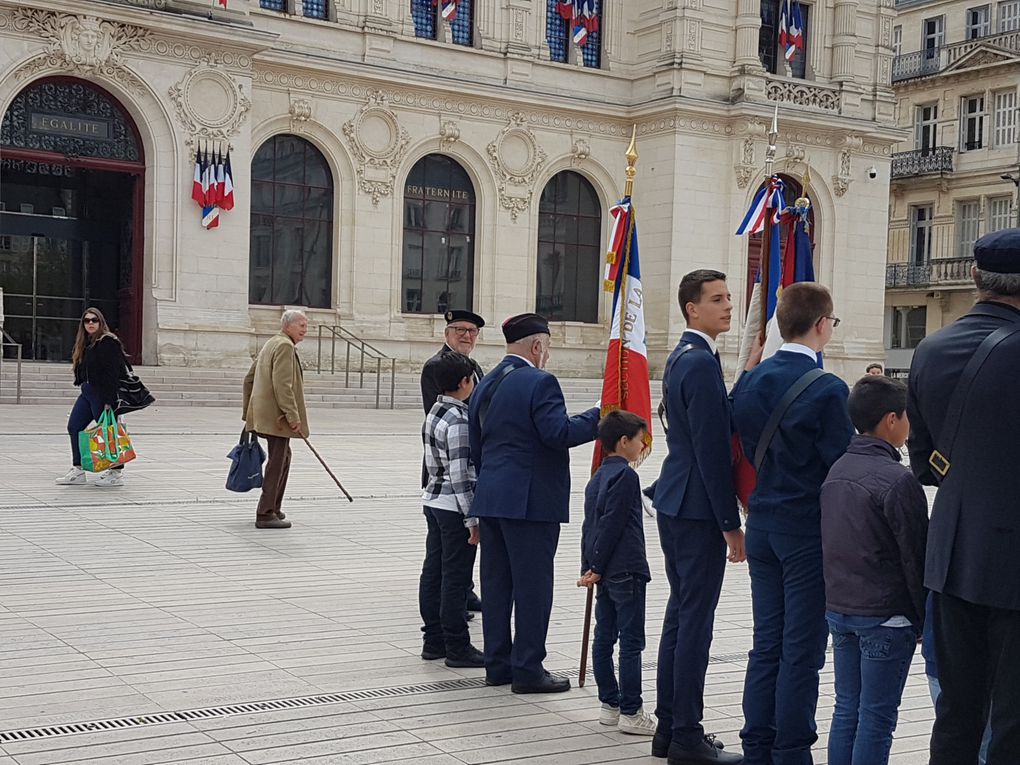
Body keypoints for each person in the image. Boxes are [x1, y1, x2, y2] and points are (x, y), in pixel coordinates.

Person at [906, 228, 1020, 764]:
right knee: (1013, 721)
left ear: (975, 278)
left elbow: (926, 461)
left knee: (956, 712)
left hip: (952, 556)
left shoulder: (931, 348)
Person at [731, 282, 854, 765]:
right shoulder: (827, 388)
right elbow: (841, 464)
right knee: (801, 650)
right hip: (806, 528)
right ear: (822, 324)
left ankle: (757, 744)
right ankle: (791, 750)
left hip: (761, 520)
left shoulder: (751, 380)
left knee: (767, 643)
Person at [468, 312, 599, 694]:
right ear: (538, 346)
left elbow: (477, 446)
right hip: (530, 502)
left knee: (496, 585)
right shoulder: (540, 381)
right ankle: (527, 670)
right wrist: (599, 413)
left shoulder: (486, 381)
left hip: (491, 498)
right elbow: (558, 433)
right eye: (549, 346)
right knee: (532, 588)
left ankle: (498, 664)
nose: (549, 354)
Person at [651, 270, 745, 765]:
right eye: (718, 299)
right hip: (696, 508)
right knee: (695, 624)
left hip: (677, 501)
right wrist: (731, 524)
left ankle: (670, 729)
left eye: (728, 297)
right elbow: (712, 451)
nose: (729, 306)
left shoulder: (685, 356)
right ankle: (687, 735)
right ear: (692, 308)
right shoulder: (702, 364)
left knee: (680, 618)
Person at [819, 375, 928, 765]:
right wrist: (922, 617)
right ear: (891, 421)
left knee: (846, 709)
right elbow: (915, 557)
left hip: (841, 609)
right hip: (885, 616)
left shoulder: (836, 471)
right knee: (877, 718)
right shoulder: (899, 481)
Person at [578, 410, 655, 736]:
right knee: (631, 642)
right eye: (639, 440)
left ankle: (609, 703)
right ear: (623, 442)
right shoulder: (626, 477)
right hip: (626, 568)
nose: (642, 446)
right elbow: (612, 524)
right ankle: (631, 709)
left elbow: (590, 527)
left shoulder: (597, 477)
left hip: (605, 570)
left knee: (604, 637)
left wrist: (591, 566)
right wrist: (596, 566)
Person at [418, 351, 484, 668]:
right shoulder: (459, 421)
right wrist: (472, 519)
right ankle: (457, 646)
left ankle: (433, 640)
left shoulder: (435, 411)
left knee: (434, 572)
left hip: (433, 499)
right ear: (464, 382)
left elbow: (434, 465)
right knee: (455, 577)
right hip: (453, 506)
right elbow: (460, 476)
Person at [421, 309, 486, 614]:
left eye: (472, 331)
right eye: (459, 329)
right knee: (448, 558)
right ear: (446, 333)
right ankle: (451, 614)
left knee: (448, 556)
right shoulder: (438, 366)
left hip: (449, 473)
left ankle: (461, 596)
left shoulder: (474, 367)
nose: (466, 335)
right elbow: (441, 412)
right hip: (450, 467)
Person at [242, 310, 309, 530]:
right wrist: (292, 415)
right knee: (277, 462)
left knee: (283, 458)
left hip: (266, 414)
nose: (305, 330)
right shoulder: (284, 346)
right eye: (301, 325)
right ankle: (265, 512)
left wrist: (249, 412)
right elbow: (283, 385)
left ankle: (275, 507)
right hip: (277, 417)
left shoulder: (272, 342)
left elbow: (249, 378)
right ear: (288, 325)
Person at [56, 307, 131, 488]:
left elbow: (112, 373)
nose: (90, 323)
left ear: (101, 322)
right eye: (87, 320)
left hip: (103, 394)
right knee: (74, 426)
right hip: (88, 392)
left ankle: (116, 472)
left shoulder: (108, 342)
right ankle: (78, 469)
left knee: (108, 432)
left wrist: (109, 401)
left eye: (94, 320)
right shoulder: (87, 343)